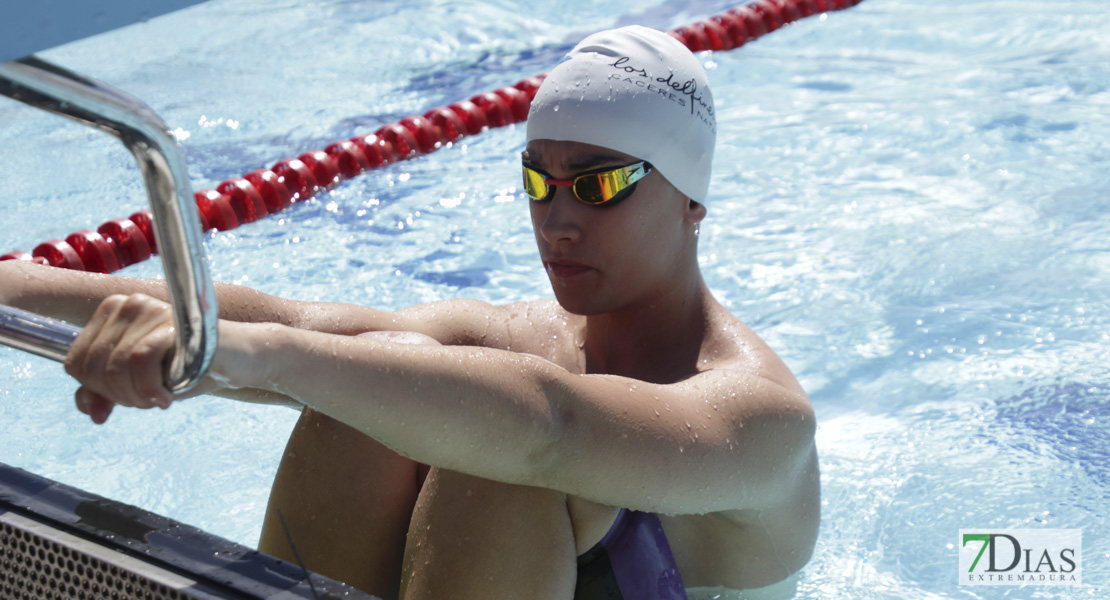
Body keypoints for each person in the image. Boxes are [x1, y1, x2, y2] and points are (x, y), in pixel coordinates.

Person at [0, 26, 818, 600]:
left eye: (599, 184)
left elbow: (552, 429)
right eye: (538, 180)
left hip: (539, 472)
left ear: (691, 199)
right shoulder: (535, 335)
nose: (557, 218)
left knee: (488, 449)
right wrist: (14, 289)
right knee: (375, 390)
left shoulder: (761, 419)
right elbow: (303, 323)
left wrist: (260, 358)